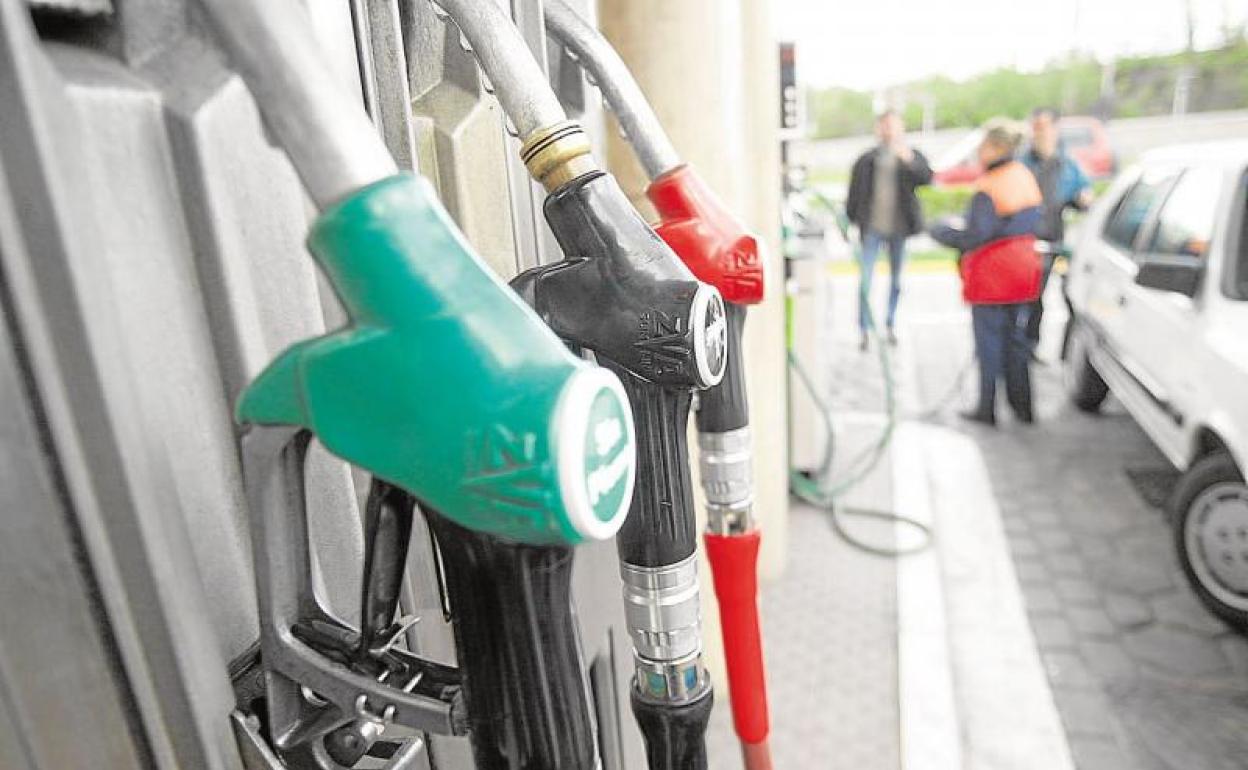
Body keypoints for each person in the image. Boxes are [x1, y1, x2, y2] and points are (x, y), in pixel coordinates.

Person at [930, 120, 1043, 427]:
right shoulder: (1023, 176)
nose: (979, 152)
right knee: (1016, 341)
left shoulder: (990, 185)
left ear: (997, 148)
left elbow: (977, 234)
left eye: (983, 146)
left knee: (989, 342)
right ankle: (1024, 408)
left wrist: (940, 232)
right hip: (1024, 270)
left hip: (994, 276)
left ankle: (987, 408)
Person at [845, 109, 933, 350]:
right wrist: (849, 221)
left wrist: (909, 161)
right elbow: (853, 193)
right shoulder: (866, 159)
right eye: (885, 126)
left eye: (893, 126)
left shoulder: (910, 156)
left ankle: (891, 323)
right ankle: (864, 329)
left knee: (896, 280)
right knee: (866, 280)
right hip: (871, 228)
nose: (889, 131)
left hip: (899, 229)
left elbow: (927, 178)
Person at [1020, 107, 1092, 355]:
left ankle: (1045, 348)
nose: (1040, 132)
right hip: (1024, 241)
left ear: (1055, 129)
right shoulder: (1022, 163)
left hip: (1053, 241)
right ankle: (1023, 345)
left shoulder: (1068, 165)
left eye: (1045, 126)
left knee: (1053, 295)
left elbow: (1083, 195)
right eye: (1036, 126)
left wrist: (1084, 199)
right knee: (1027, 296)